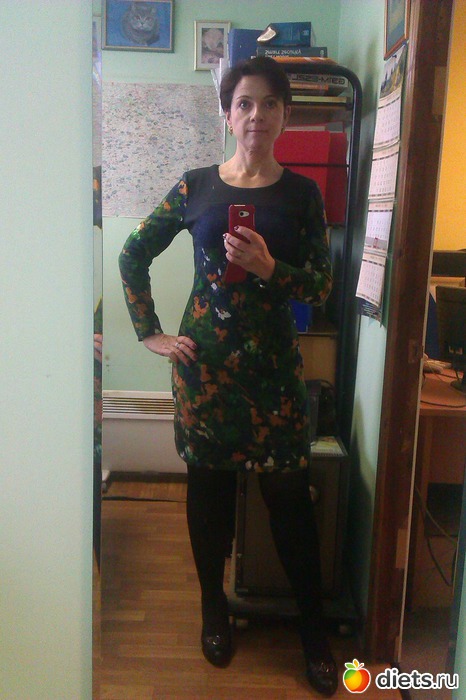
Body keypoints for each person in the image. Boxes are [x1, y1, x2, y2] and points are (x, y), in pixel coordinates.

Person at [119, 56, 337, 697]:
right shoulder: (196, 188)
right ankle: (213, 610)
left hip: (273, 374)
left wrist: (272, 269)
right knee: (209, 496)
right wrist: (150, 332)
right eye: (244, 103)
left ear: (286, 115)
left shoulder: (302, 195)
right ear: (227, 113)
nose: (256, 115)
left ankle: (314, 632)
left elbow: (320, 287)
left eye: (269, 103)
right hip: (205, 371)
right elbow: (133, 252)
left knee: (289, 501)